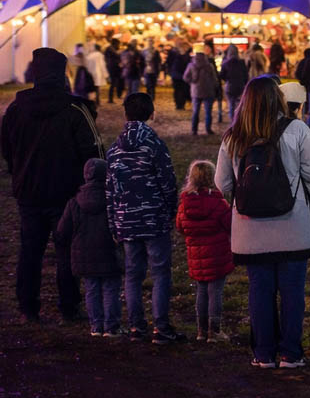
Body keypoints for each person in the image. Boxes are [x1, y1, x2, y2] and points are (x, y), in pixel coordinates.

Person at [215, 77, 310, 369]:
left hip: (250, 231)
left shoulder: (233, 137)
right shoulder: (296, 130)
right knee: (292, 293)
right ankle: (291, 353)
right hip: (291, 225)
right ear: (277, 99)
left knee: (259, 291)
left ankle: (263, 354)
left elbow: (221, 182)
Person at [2, 48, 105, 323]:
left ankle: (28, 308)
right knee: (66, 250)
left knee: (30, 250)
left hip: (28, 192)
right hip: (66, 191)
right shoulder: (75, 109)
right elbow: (94, 152)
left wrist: (19, 173)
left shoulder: (15, 109)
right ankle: (69, 308)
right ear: (60, 74)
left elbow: (7, 149)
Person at [105, 92, 184, 343]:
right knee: (160, 273)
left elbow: (110, 189)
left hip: (126, 220)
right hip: (154, 219)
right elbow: (168, 182)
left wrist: (113, 222)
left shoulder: (114, 150)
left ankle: (136, 325)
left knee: (133, 273)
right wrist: (171, 210)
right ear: (152, 114)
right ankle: (161, 327)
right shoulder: (154, 145)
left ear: (126, 114)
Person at [54, 157, 123, 337]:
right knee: (110, 289)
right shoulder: (113, 201)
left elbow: (62, 231)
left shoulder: (74, 203)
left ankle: (96, 326)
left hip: (83, 256)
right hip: (109, 253)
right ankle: (111, 326)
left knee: (91, 289)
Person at [175, 159, 234, 343]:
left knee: (201, 290)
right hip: (217, 255)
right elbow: (229, 224)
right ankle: (214, 331)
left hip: (196, 255)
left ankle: (201, 331)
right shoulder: (218, 203)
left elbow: (180, 227)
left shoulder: (185, 204)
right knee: (215, 291)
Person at [183, 47, 219, 136]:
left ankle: (194, 130)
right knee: (208, 112)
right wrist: (214, 86)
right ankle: (208, 129)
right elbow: (214, 79)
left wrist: (192, 82)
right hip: (208, 91)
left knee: (195, 111)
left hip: (196, 91)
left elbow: (185, 77)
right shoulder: (209, 65)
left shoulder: (191, 65)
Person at [220, 44, 249, 117]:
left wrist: (227, 79)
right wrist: (244, 83)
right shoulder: (241, 63)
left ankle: (232, 120)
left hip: (229, 86)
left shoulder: (225, 63)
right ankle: (239, 119)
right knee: (240, 104)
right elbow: (246, 75)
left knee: (231, 104)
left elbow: (221, 75)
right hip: (240, 86)